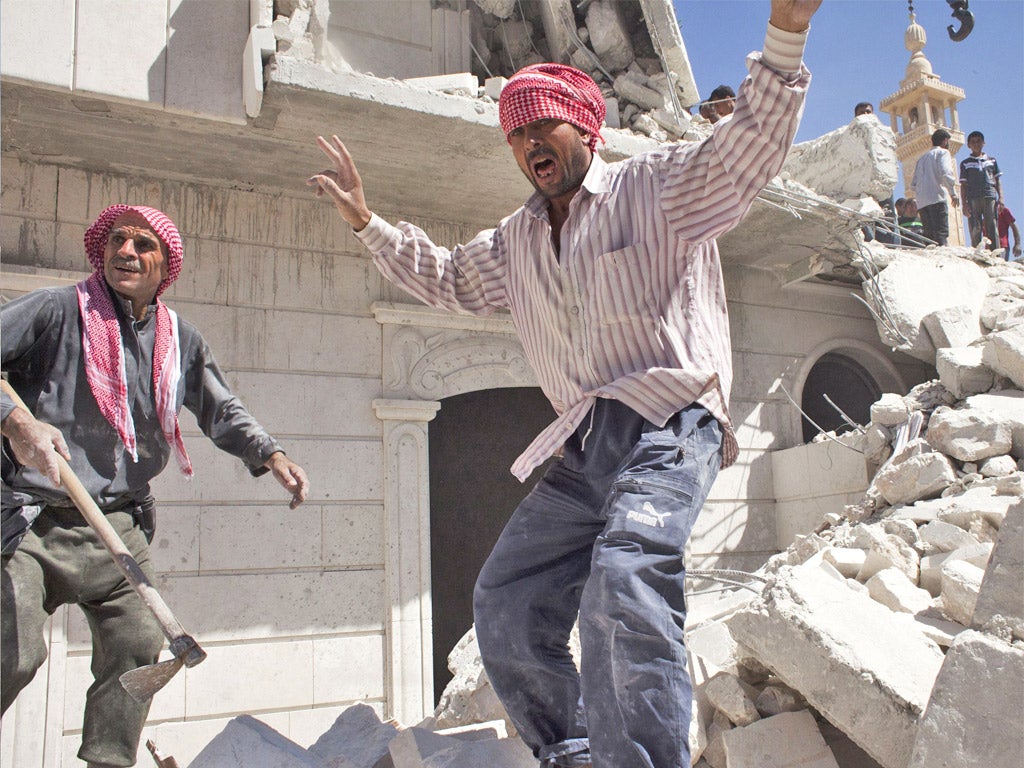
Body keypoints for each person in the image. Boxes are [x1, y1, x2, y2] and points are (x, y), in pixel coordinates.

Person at [308, 2, 819, 765]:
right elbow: (448, 278)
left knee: (625, 578)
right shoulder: (516, 242)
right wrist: (368, 225)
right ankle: (572, 751)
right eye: (515, 133)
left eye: (542, 125)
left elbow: (744, 153)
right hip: (587, 444)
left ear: (587, 128)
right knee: (506, 602)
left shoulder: (657, 191)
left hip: (671, 424)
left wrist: (785, 33)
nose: (527, 144)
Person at [1, 204, 310, 768]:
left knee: (139, 647)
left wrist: (270, 453)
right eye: (118, 240)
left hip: (117, 526)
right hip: (28, 521)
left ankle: (109, 761)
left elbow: (220, 406)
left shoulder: (178, 340)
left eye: (144, 245)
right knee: (12, 655)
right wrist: (17, 420)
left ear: (165, 266)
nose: (127, 252)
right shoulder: (56, 311)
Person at [910, 128, 959, 246]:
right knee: (941, 233)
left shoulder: (921, 159)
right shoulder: (943, 153)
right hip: (936, 198)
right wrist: (953, 193)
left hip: (922, 202)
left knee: (929, 237)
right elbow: (946, 172)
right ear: (945, 141)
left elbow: (913, 184)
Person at [959, 130, 1003, 249]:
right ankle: (976, 252)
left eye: (978, 141)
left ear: (983, 143)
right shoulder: (965, 163)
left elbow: (997, 180)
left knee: (991, 225)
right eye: (973, 142)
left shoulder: (991, 160)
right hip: (973, 198)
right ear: (968, 145)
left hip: (989, 195)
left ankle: (995, 252)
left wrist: (1001, 198)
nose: (976, 144)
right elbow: (963, 185)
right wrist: (964, 204)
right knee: (975, 226)